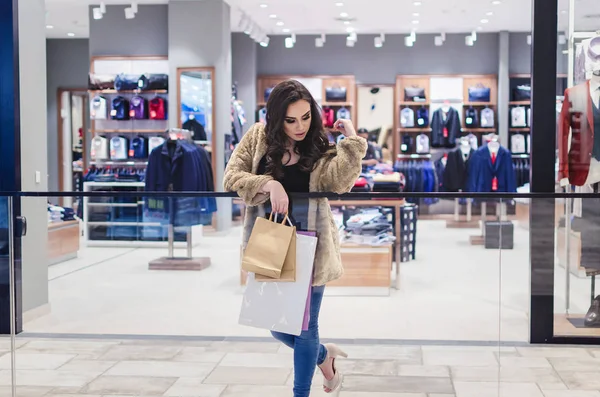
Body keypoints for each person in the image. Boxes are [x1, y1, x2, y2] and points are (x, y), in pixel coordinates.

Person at [223, 79, 367, 396]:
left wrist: (352, 142)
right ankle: (322, 356)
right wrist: (269, 184)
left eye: (305, 117)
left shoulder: (317, 142)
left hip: (313, 242)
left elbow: (340, 182)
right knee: (276, 325)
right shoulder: (258, 138)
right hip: (272, 239)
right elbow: (232, 176)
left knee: (306, 326)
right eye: (291, 120)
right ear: (277, 118)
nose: (300, 126)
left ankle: (301, 392)